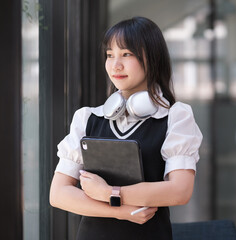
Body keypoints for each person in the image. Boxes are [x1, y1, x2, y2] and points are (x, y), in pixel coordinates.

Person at [49, 16, 203, 240]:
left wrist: (109, 193)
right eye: (110, 55)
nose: (115, 65)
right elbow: (59, 194)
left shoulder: (176, 117)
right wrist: (120, 211)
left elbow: (180, 191)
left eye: (126, 54)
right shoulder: (87, 118)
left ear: (152, 58)